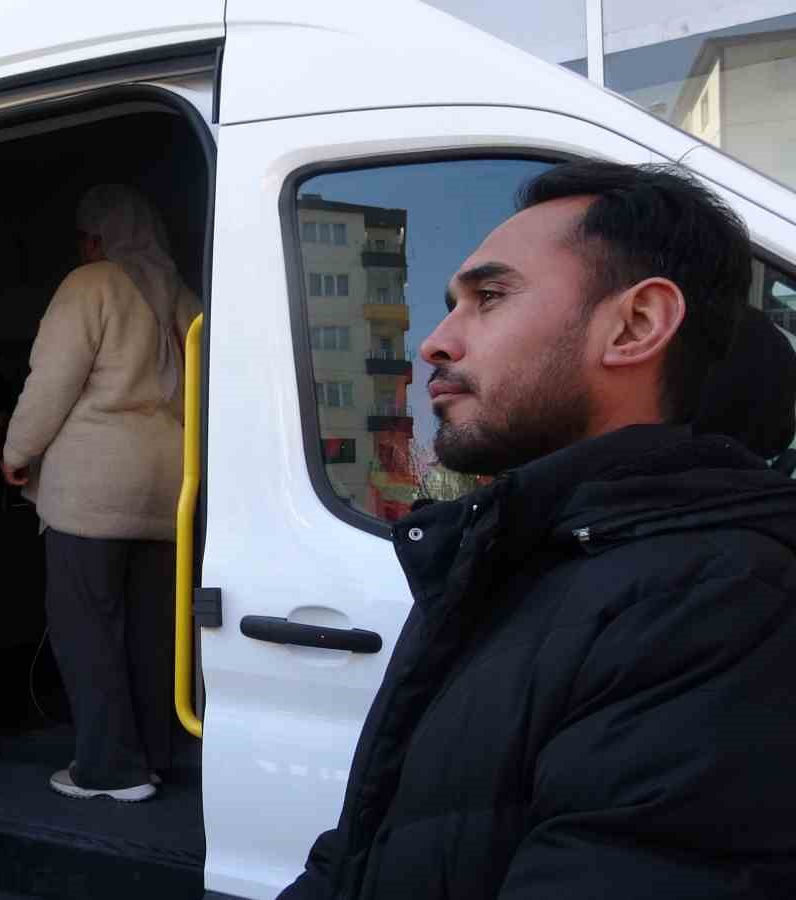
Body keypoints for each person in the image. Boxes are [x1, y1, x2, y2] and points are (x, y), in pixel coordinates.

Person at [280, 162, 796, 899]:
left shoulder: (717, 606)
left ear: (637, 325)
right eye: (449, 304)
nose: (434, 343)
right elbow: (363, 853)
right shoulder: (520, 556)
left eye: (489, 297)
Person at [2, 184, 200, 801]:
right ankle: (154, 757)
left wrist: (17, 452)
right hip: (171, 489)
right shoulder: (184, 298)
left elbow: (51, 381)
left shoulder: (92, 284)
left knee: (87, 630)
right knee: (152, 632)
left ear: (97, 237)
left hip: (92, 487)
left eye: (86, 238)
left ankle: (109, 769)